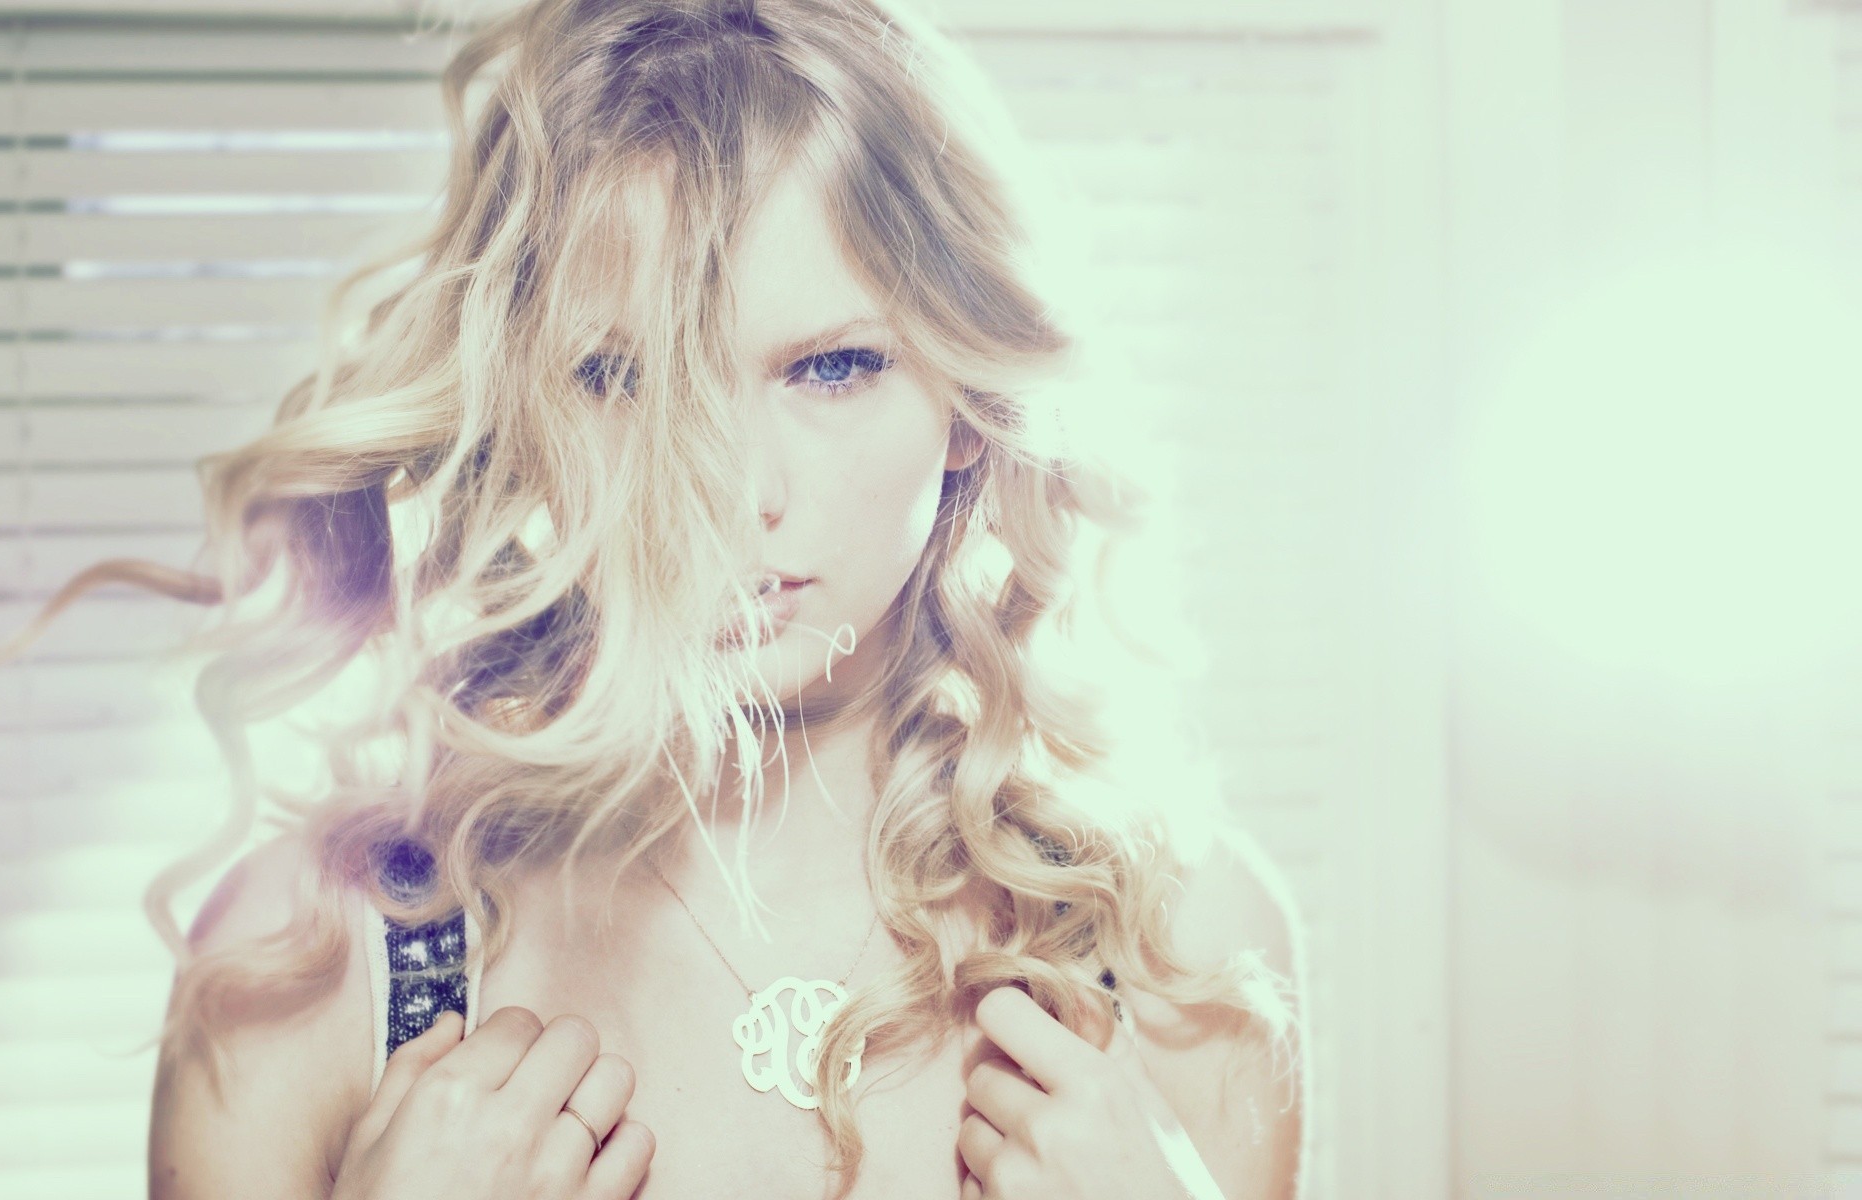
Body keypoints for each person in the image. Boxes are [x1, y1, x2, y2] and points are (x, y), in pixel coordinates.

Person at [67, 1, 1314, 1197]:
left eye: (833, 366)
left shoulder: (1184, 949)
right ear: (519, 413)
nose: (730, 493)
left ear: (970, 404)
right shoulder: (304, 964)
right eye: (624, 378)